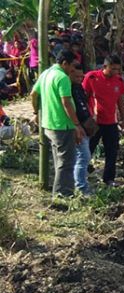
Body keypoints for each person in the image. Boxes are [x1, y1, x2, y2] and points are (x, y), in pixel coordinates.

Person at [31, 50, 85, 197]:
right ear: (64, 63)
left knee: (59, 160)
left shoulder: (46, 73)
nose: (73, 70)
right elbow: (66, 102)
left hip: (49, 123)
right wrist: (77, 125)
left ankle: (60, 191)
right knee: (66, 163)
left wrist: (36, 112)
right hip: (62, 125)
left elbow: (33, 94)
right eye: (72, 66)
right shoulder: (62, 77)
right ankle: (63, 194)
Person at [83, 55, 124, 187]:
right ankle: (82, 174)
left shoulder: (118, 80)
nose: (115, 72)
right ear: (104, 67)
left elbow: (120, 101)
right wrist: (85, 117)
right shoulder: (91, 78)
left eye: (118, 69)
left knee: (112, 151)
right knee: (88, 149)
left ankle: (108, 179)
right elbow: (84, 98)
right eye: (113, 69)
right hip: (95, 122)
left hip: (111, 122)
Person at [70, 62, 97, 195]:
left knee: (81, 157)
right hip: (77, 127)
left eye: (82, 77)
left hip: (86, 125)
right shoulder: (68, 89)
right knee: (83, 156)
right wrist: (77, 126)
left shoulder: (79, 88)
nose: (80, 79)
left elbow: (84, 105)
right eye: (77, 77)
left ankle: (79, 182)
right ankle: (81, 187)